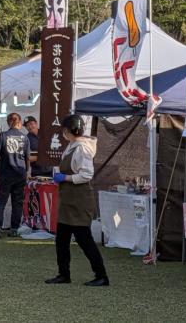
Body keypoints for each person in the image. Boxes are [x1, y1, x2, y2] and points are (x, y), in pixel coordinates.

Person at [46, 114, 109, 287]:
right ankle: (63, 274)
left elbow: (87, 174)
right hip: (68, 199)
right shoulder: (72, 145)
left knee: (84, 240)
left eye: (64, 130)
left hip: (79, 199)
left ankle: (101, 275)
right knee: (61, 240)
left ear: (68, 130)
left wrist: (65, 177)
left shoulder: (82, 148)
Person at [0, 113, 31, 238]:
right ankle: (14, 229)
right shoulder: (25, 138)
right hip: (20, 173)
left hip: (6, 173)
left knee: (1, 201)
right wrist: (27, 171)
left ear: (8, 122)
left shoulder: (3, 136)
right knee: (17, 202)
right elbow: (27, 157)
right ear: (19, 122)